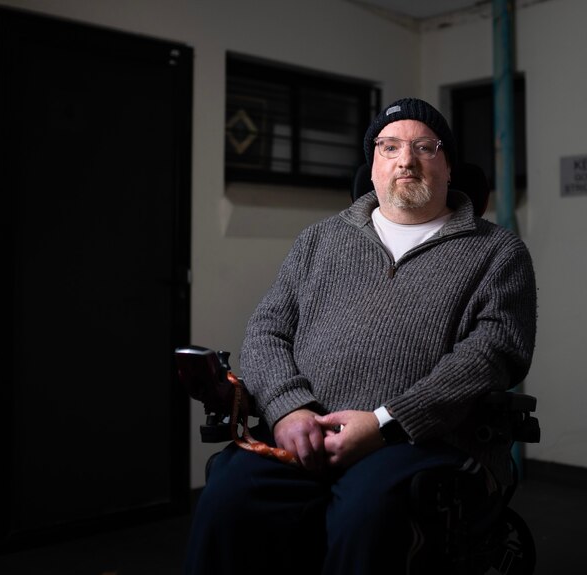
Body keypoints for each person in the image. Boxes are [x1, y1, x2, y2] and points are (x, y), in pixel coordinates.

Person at [184, 97, 537, 574]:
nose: (406, 160)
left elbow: (492, 355)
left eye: (424, 148)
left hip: (420, 443)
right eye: (389, 147)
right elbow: (267, 329)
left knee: (367, 517)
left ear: (449, 166)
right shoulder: (319, 240)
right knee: (229, 497)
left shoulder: (497, 252)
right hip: (302, 433)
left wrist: (386, 422)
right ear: (372, 166)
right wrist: (290, 409)